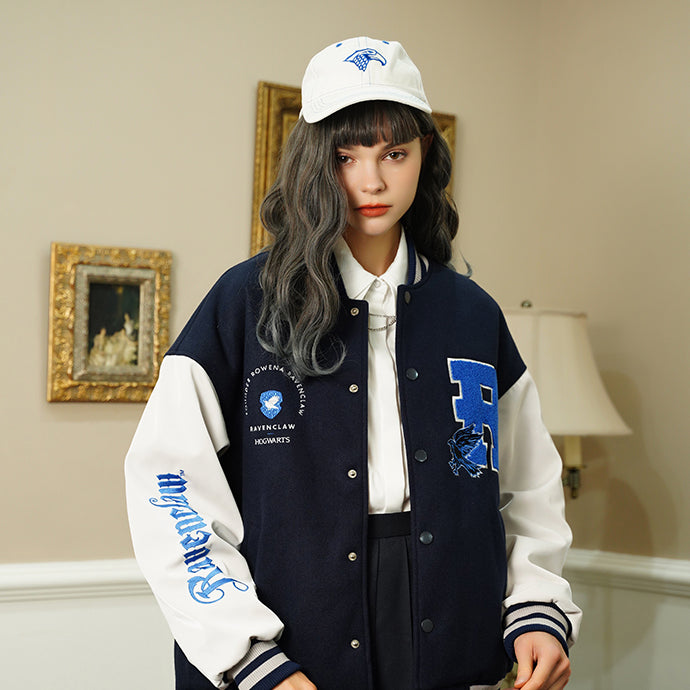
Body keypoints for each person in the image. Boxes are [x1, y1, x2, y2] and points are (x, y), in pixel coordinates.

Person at [125, 36, 581, 690]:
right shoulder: (244, 302)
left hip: (451, 637)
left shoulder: (472, 314)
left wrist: (537, 609)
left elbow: (529, 485)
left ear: (426, 154)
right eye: (346, 157)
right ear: (314, 161)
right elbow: (169, 487)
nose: (372, 181)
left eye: (394, 153)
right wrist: (248, 655)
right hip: (286, 642)